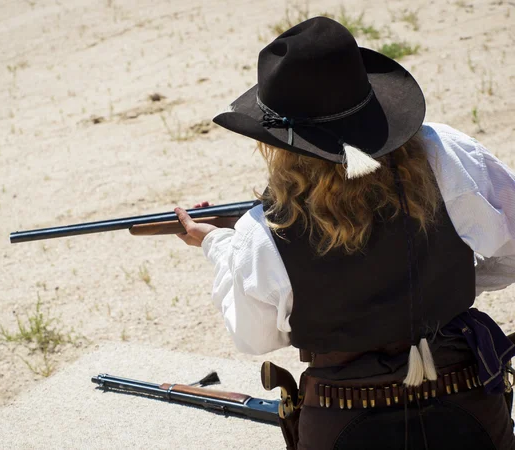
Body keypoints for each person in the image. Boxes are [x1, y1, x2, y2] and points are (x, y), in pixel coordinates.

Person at [174, 17, 515, 450]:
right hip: (469, 398)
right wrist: (438, 291)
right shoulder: (447, 155)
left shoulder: (261, 233)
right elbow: (510, 252)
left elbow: (256, 337)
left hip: (343, 418)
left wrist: (216, 245)